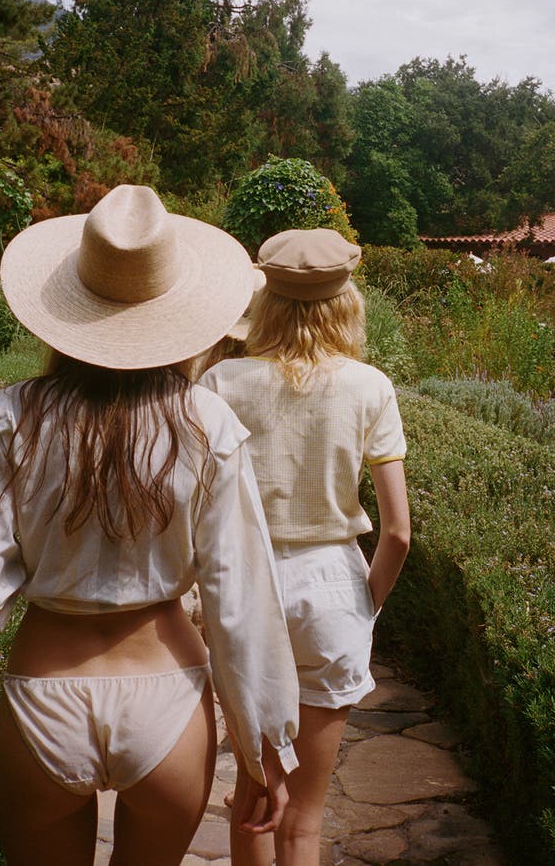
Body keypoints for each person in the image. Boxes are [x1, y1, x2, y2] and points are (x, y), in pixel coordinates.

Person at [0, 185, 300, 866]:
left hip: (44, 688)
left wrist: (47, 548)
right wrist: (265, 752)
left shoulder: (16, 415)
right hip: (168, 693)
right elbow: (241, 602)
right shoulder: (209, 422)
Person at [200, 227, 411, 866]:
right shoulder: (370, 386)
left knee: (255, 802)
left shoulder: (220, 383)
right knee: (305, 822)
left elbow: (198, 509)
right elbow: (398, 531)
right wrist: (363, 606)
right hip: (331, 588)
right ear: (345, 301)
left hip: (243, 587)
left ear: (265, 299)